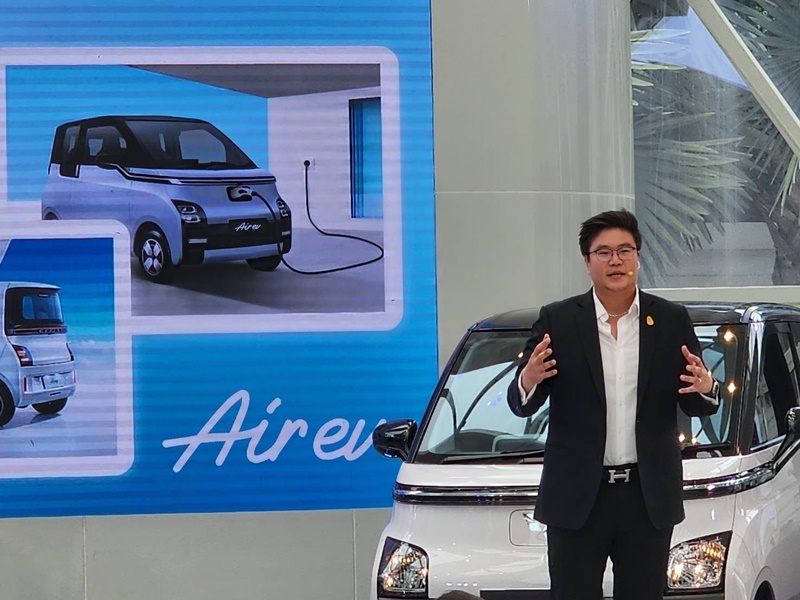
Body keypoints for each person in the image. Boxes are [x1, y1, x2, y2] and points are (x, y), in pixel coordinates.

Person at [506, 209, 720, 600]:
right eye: (603, 252)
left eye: (625, 250)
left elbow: (697, 403)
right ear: (587, 262)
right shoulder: (558, 320)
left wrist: (706, 387)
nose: (615, 260)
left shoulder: (670, 319)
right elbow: (520, 404)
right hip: (576, 496)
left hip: (646, 496)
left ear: (638, 257)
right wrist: (528, 379)